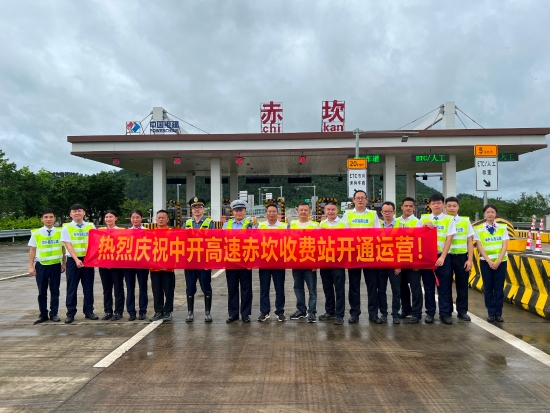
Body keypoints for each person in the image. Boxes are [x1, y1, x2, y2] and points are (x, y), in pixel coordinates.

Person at [341, 190, 381, 323]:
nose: (360, 200)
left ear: (366, 200)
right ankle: (354, 313)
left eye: (362, 198)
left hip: (369, 253)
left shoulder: (373, 214)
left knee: (372, 285)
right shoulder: (347, 214)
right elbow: (343, 232)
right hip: (353, 254)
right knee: (354, 285)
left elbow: (378, 232)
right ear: (353, 200)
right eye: (357, 198)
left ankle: (373, 314)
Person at [418, 193, 456, 325]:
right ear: (429, 205)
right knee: (428, 287)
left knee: (443, 287)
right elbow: (417, 237)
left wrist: (443, 257)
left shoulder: (449, 219)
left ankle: (444, 314)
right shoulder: (423, 218)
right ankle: (430, 313)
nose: (436, 205)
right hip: (427, 257)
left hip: (442, 257)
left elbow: (449, 239)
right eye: (433, 203)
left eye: (438, 203)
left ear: (443, 205)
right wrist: (424, 226)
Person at [28, 209, 66, 324]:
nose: (48, 219)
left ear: (54, 219)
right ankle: (43, 314)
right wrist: (31, 266)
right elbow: (32, 250)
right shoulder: (36, 233)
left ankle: (54, 314)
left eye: (51, 217)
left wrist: (64, 263)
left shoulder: (60, 231)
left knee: (55, 291)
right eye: (46, 217)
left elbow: (63, 248)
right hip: (41, 266)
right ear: (42, 219)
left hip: (55, 266)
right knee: (42, 292)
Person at [61, 204, 98, 323]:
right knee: (72, 288)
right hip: (73, 260)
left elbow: (96, 242)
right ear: (70, 214)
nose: (77, 213)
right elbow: (68, 245)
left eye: (79, 211)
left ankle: (89, 311)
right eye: (74, 211)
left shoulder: (91, 226)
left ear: (84, 213)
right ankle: (70, 313)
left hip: (88, 260)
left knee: (88, 287)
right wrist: (76, 259)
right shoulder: (66, 227)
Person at [474, 204, 509, 323]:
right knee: (488, 288)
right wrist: (489, 261)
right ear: (484, 214)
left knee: (498, 288)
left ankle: (498, 314)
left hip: (501, 262)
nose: (490, 214)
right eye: (488, 212)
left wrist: (498, 261)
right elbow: (479, 246)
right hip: (486, 262)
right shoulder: (479, 229)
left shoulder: (502, 228)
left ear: (496, 214)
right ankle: (490, 313)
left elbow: (505, 245)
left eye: (492, 212)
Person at [184, 196, 215, 323]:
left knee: (206, 287)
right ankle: (190, 313)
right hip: (190, 261)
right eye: (194, 207)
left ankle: (207, 313)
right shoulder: (186, 224)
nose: (197, 209)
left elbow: (214, 241)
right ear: (191, 210)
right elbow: (180, 241)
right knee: (190, 287)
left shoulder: (210, 223)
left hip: (204, 261)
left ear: (203, 209)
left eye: (199, 207)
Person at [223, 200, 254, 323]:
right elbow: (222, 242)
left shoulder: (250, 225)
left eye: (240, 210)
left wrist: (251, 261)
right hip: (230, 261)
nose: (238, 213)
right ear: (233, 212)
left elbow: (254, 244)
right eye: (236, 210)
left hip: (245, 261)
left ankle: (245, 314)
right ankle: (233, 314)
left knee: (246, 289)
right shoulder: (226, 225)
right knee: (232, 288)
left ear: (245, 211)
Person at [445, 197, 475, 322]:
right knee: (446, 285)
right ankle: (447, 312)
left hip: (461, 257)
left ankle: (462, 311)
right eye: (449, 206)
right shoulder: (442, 221)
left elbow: (470, 241)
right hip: (446, 257)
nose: (452, 208)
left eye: (454, 206)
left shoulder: (465, 221)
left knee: (462, 285)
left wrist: (470, 259)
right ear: (445, 207)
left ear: (458, 207)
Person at [289, 202, 319, 323]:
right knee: (298, 287)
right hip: (296, 262)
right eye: (301, 210)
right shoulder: (293, 224)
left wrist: (316, 262)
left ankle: (312, 312)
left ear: (309, 212)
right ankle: (301, 310)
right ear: (297, 212)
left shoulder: (315, 225)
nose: (303, 212)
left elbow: (318, 244)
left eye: (305, 210)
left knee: (312, 289)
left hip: (310, 262)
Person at [257, 203, 287, 322]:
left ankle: (280, 311)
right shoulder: (261, 226)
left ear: (277, 213)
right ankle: (264, 312)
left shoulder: (284, 226)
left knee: (279, 288)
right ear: (266, 213)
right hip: (264, 261)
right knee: (264, 288)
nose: (271, 213)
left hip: (279, 261)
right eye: (269, 211)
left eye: (274, 211)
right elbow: (256, 242)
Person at [395, 197, 423, 324]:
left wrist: (417, 260)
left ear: (414, 208)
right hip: (399, 260)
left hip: (412, 260)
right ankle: (406, 309)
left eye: (411, 206)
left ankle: (417, 313)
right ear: (401, 207)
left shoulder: (418, 222)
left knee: (415, 288)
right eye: (406, 206)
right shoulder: (396, 221)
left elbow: (420, 242)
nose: (408, 208)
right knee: (402, 287)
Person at [318, 202, 346, 325]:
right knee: (327, 288)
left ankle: (339, 314)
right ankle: (330, 311)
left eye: (333, 209)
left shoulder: (343, 224)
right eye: (328, 209)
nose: (330, 212)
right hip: (325, 260)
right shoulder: (321, 224)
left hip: (338, 260)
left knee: (339, 289)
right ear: (325, 211)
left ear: (337, 210)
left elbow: (348, 240)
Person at [376, 202, 401, 324]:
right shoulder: (377, 226)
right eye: (384, 211)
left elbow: (404, 245)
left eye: (389, 211)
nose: (387, 213)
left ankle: (395, 314)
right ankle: (383, 314)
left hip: (395, 264)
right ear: (381, 212)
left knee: (396, 290)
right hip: (381, 264)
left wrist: (399, 264)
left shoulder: (401, 226)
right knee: (381, 290)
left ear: (394, 212)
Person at [149, 210, 176, 322]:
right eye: (159, 217)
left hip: (168, 268)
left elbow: (176, 249)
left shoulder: (172, 233)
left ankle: (168, 311)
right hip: (154, 268)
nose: (161, 219)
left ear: (167, 219)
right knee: (156, 290)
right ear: (155, 219)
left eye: (163, 217)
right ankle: (158, 311)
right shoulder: (151, 233)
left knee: (169, 291)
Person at [98, 210, 125, 321]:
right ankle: (108, 311)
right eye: (107, 217)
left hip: (117, 265)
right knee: (107, 289)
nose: (108, 219)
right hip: (103, 264)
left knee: (118, 289)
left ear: (116, 218)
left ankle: (118, 312)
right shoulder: (100, 231)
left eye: (111, 217)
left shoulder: (122, 231)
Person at [123, 209, 149, 321]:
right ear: (130, 219)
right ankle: (131, 312)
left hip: (142, 263)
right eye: (133, 217)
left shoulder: (147, 232)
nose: (135, 219)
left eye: (137, 217)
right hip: (129, 264)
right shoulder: (126, 232)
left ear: (141, 218)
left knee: (143, 287)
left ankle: (143, 311)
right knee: (130, 288)